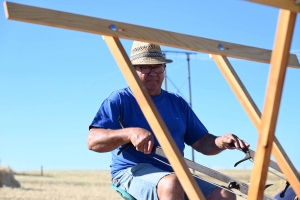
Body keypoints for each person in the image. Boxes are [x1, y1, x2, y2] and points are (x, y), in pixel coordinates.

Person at [87, 41, 250, 200]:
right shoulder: (120, 100)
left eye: (157, 66)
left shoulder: (177, 103)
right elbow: (93, 141)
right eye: (145, 67)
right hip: (131, 171)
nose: (153, 73)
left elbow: (202, 142)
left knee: (225, 195)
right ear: (132, 70)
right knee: (172, 184)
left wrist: (221, 141)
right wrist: (129, 133)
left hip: (176, 173)